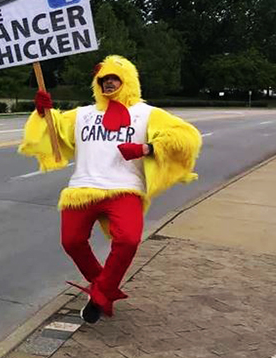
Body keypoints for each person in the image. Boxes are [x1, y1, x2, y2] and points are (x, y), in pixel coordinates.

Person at [18, 55, 202, 323]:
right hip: (82, 188)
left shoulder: (146, 113)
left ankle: (100, 293)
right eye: (102, 80)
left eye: (113, 78)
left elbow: (186, 137)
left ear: (127, 80)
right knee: (71, 242)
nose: (108, 83)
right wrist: (42, 112)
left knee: (128, 239)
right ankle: (101, 287)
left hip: (124, 189)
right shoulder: (83, 114)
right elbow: (54, 129)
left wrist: (146, 148)